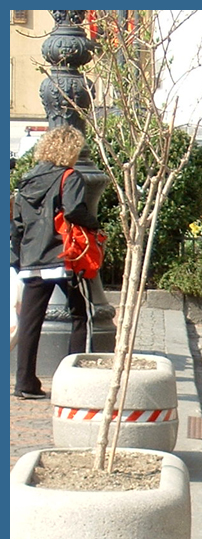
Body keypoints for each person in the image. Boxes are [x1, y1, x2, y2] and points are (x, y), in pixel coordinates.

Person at [10, 125, 98, 400]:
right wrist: (94, 225)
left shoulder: (27, 179)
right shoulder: (69, 177)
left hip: (33, 258)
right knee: (81, 315)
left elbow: (17, 223)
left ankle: (24, 382)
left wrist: (17, 258)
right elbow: (73, 210)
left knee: (29, 322)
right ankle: (75, 381)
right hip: (63, 256)